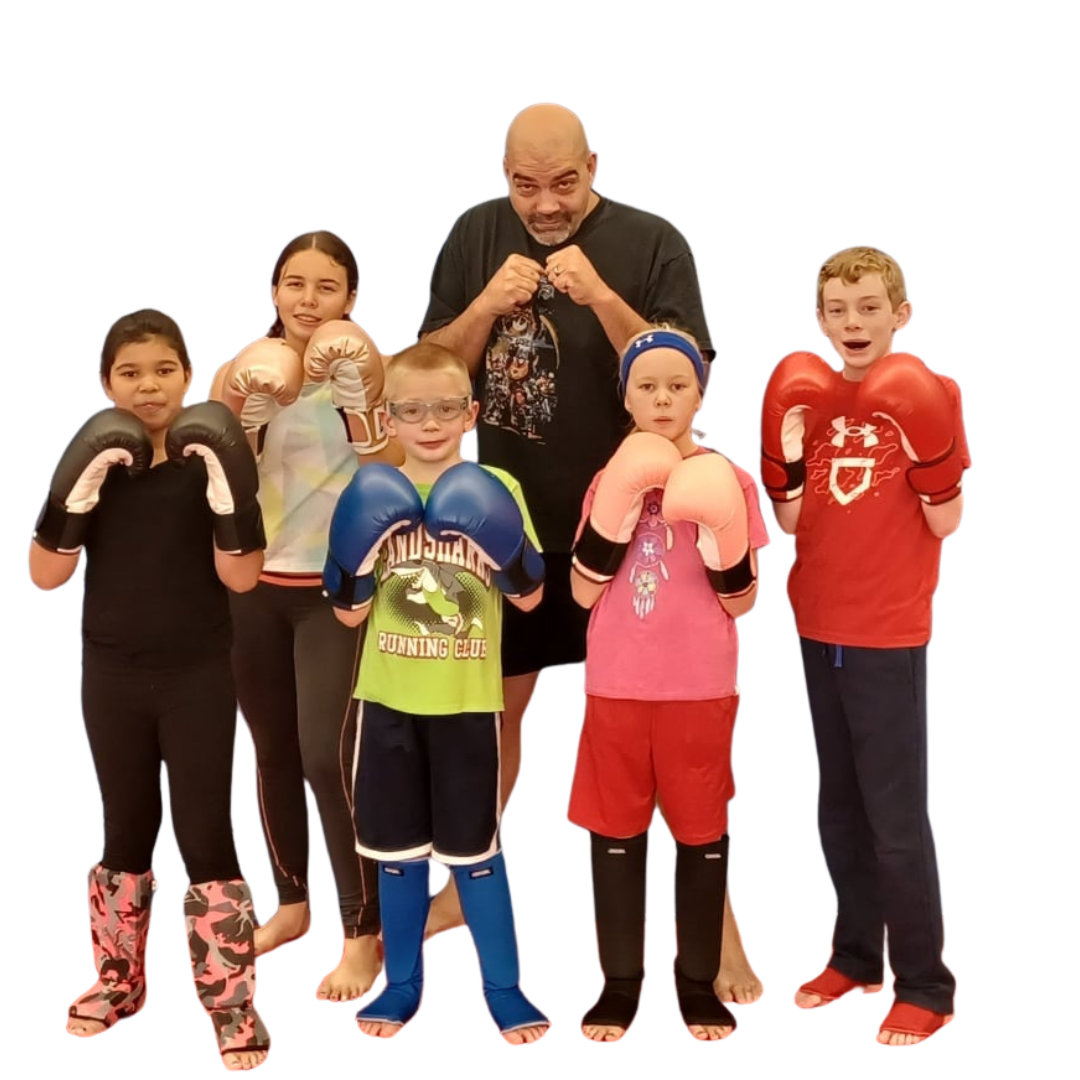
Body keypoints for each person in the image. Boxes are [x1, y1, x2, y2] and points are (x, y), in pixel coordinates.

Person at [418, 102, 761, 1005]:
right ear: (503, 173)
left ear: (594, 166)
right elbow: (426, 373)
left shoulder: (653, 241)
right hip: (509, 526)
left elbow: (695, 376)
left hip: (644, 534)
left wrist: (604, 297)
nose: (545, 204)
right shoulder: (474, 233)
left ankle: (716, 927)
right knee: (495, 717)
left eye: (564, 183)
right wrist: (486, 306)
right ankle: (463, 879)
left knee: (661, 739)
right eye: (526, 184)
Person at [30, 308, 270, 1071]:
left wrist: (231, 488)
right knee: (124, 826)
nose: (148, 386)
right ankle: (117, 983)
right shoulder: (95, 461)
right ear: (106, 384)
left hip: (197, 671)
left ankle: (232, 1005)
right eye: (130, 373)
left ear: (189, 375)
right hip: (112, 672)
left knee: (205, 832)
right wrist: (74, 491)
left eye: (163, 369)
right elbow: (44, 578)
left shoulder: (210, 458)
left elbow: (243, 575)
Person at [759, 245, 968, 1046]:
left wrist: (925, 446)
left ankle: (926, 983)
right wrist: (786, 450)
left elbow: (949, 521)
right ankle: (856, 956)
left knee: (896, 816)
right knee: (838, 811)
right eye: (838, 311)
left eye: (870, 308)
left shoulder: (933, 391)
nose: (854, 324)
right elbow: (785, 526)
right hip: (816, 622)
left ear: (901, 315)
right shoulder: (802, 393)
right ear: (820, 319)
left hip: (889, 631)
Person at [324, 341, 550, 1045]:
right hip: (386, 702)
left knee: (477, 853)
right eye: (413, 410)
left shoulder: (499, 490)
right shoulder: (370, 490)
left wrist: (500, 538)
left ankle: (505, 990)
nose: (430, 423)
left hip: (466, 708)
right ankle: (401, 986)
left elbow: (534, 597)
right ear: (389, 417)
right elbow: (347, 612)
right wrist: (355, 554)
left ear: (471, 413)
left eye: (446, 408)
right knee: (395, 852)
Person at [208, 230, 400, 1003]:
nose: (308, 301)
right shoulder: (236, 369)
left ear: (351, 299)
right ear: (273, 292)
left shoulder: (371, 365)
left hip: (336, 588)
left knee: (328, 755)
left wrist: (361, 408)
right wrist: (244, 417)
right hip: (255, 586)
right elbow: (218, 492)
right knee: (272, 750)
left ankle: (363, 934)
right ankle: (292, 904)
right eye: (295, 284)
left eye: (326, 288)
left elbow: (397, 482)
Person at [566, 329, 769, 1042]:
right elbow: (583, 592)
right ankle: (620, 982)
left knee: (701, 832)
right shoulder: (610, 473)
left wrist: (722, 534)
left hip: (701, 687)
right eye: (646, 386)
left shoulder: (731, 477)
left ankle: (696, 980)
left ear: (700, 394)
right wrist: (620, 503)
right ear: (625, 395)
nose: (661, 398)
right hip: (616, 685)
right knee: (615, 834)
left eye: (676, 386)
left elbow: (746, 601)